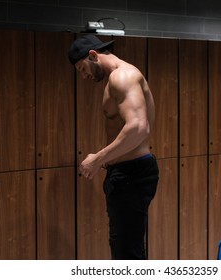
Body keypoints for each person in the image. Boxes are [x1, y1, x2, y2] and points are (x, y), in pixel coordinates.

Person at [68, 35, 159, 260]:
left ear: (93, 55)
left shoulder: (122, 77)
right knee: (126, 249)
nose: (84, 76)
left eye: (82, 68)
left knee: (127, 254)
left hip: (131, 175)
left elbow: (138, 127)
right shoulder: (117, 77)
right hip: (128, 174)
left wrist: (98, 158)